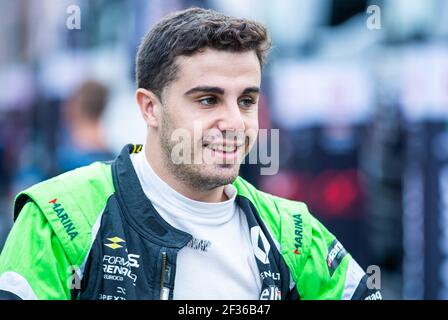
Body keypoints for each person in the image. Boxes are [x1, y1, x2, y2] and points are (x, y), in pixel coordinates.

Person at [0, 7, 381, 300]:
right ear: (150, 108)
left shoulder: (292, 230)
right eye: (208, 99)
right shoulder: (60, 217)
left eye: (246, 100)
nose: (234, 122)